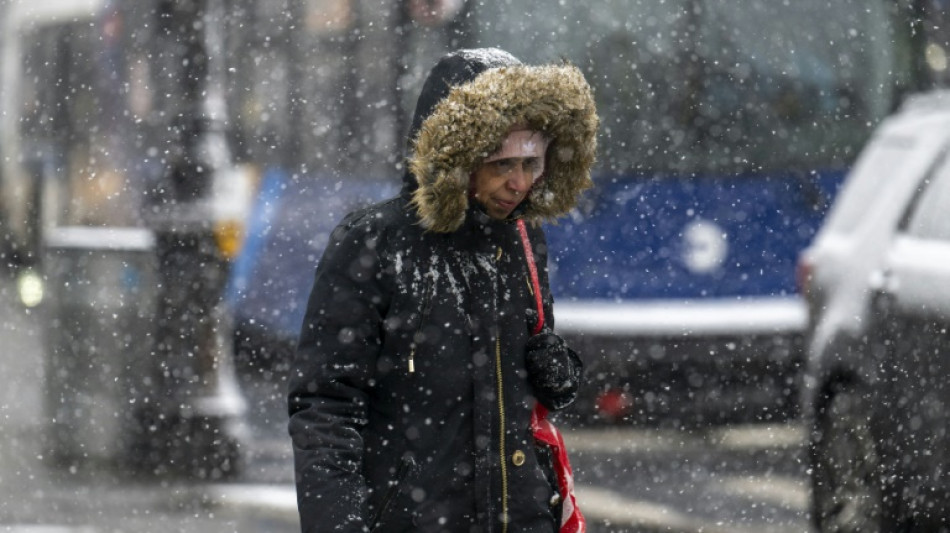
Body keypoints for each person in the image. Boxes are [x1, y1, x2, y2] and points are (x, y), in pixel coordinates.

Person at [288, 47, 598, 533]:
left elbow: (526, 378)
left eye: (531, 162)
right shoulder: (375, 242)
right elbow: (327, 403)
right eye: (501, 163)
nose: (519, 183)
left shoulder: (521, 237)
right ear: (456, 158)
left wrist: (558, 371)